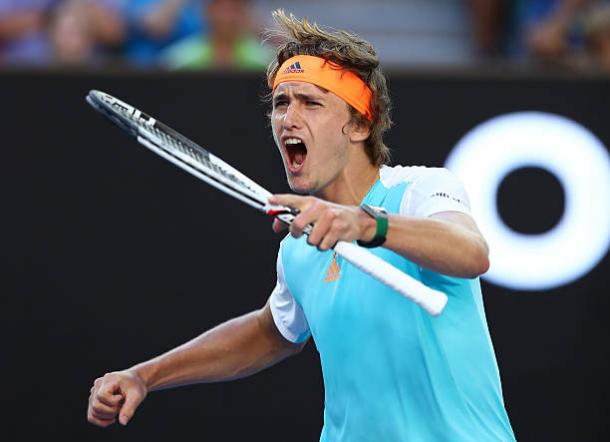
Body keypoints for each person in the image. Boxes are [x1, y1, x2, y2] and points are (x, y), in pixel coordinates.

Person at [87, 10, 516, 441]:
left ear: (360, 123)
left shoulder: (419, 190)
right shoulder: (299, 245)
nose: (288, 119)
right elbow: (267, 333)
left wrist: (365, 225)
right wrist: (145, 376)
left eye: (311, 102)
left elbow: (471, 251)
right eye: (280, 103)